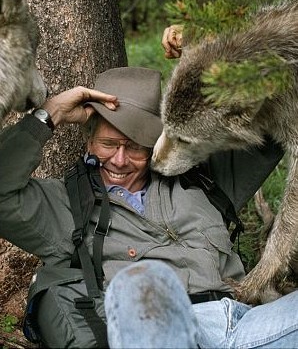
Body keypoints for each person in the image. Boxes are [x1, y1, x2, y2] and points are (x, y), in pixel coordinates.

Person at [0, 63, 297, 349]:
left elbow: (279, 102)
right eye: (108, 144)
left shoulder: (203, 178)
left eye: (134, 147)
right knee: (141, 283)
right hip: (157, 331)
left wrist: (208, 61)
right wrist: (50, 113)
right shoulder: (63, 203)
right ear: (88, 140)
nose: (119, 159)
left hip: (244, 325)